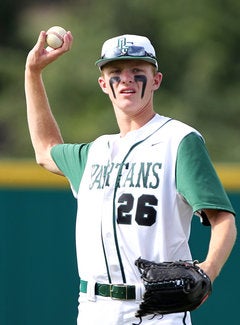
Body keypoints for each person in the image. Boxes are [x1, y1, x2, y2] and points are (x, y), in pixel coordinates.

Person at [25, 31, 236, 325]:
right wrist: (33, 73)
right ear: (103, 84)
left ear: (156, 81)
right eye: (115, 72)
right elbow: (45, 150)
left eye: (137, 71)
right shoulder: (95, 152)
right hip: (93, 309)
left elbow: (223, 219)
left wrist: (208, 271)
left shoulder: (178, 141)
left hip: (159, 312)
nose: (126, 79)